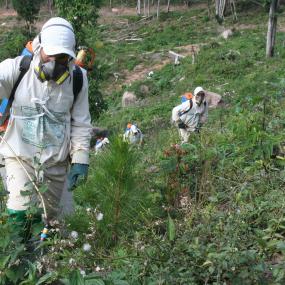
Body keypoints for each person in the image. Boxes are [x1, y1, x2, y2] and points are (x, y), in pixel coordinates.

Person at [0, 17, 92, 234]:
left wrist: (80, 158)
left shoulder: (78, 79)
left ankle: (43, 265)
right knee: (19, 216)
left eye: (61, 57)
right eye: (50, 55)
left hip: (55, 164)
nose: (54, 61)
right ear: (40, 47)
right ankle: (17, 265)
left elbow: (80, 122)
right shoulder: (16, 69)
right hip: (19, 158)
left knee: (48, 226)